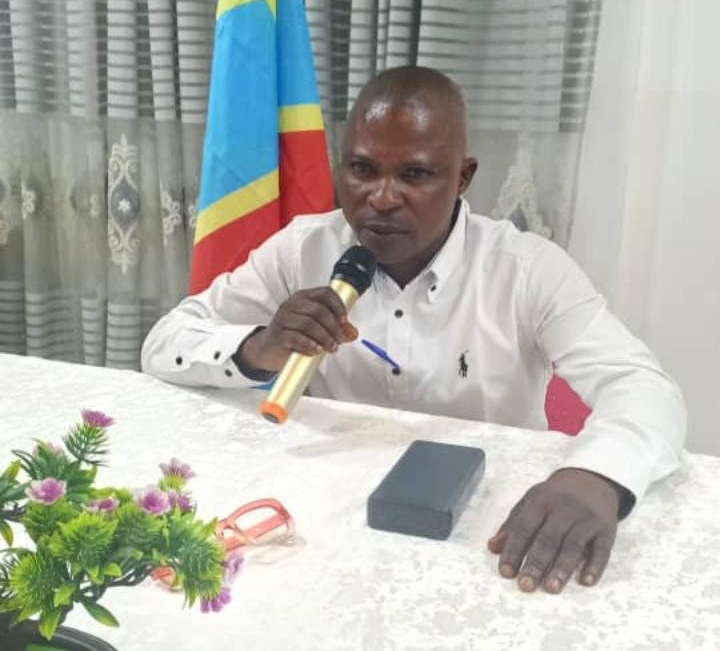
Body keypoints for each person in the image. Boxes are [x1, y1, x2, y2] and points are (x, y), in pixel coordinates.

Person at [142, 66, 686, 595]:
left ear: (463, 177)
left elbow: (642, 385)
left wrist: (598, 476)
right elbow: (165, 342)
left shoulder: (526, 269)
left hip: (485, 533)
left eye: (415, 175)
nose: (381, 197)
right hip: (325, 524)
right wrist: (259, 347)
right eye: (362, 169)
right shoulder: (302, 249)